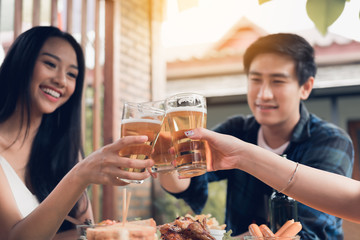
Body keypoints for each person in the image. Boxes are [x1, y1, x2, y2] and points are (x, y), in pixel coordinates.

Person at [158, 33, 354, 239]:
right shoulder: (238, 130)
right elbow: (190, 181)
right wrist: (167, 161)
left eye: (277, 81)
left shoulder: (331, 141)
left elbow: (304, 230)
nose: (263, 94)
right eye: (255, 80)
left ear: (305, 87)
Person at [0, 26, 154, 240]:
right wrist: (80, 174)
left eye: (71, 74)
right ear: (21, 62)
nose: (61, 80)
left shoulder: (63, 152)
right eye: (50, 64)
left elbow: (83, 233)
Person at [184, 127, 360, 224]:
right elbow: (351, 200)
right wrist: (241, 156)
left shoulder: (330, 138)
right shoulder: (240, 125)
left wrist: (241, 156)